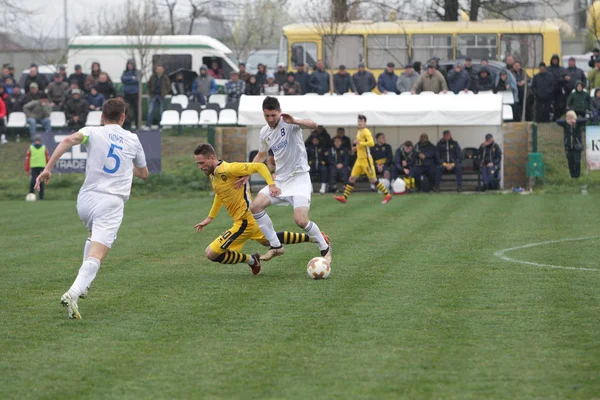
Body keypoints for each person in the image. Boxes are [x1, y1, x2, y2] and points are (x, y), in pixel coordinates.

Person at [35, 98, 149, 319]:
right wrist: (128, 167)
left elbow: (68, 140)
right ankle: (73, 292)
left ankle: (83, 286)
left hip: (85, 200)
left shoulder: (92, 131)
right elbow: (144, 174)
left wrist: (48, 169)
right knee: (98, 254)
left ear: (102, 117)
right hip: (111, 202)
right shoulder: (133, 139)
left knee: (92, 236)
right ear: (123, 117)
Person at [193, 143, 326, 274]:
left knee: (211, 253)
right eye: (198, 164)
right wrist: (210, 217)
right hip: (250, 219)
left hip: (245, 222)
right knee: (269, 240)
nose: (200, 167)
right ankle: (315, 237)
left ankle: (251, 260)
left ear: (211, 158)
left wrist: (272, 185)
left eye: (202, 162)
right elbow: (220, 193)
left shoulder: (230, 168)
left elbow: (260, 166)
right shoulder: (213, 174)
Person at [237, 97, 332, 264]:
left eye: (274, 115)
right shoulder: (264, 132)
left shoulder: (289, 123)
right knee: (255, 206)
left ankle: (325, 248)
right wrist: (247, 173)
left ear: (279, 112)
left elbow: (314, 125)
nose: (271, 119)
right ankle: (276, 246)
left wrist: (294, 120)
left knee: (301, 220)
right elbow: (261, 154)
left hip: (300, 178)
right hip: (281, 181)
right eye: (267, 116)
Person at [334, 115, 392, 204]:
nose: (360, 123)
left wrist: (359, 143)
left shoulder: (366, 131)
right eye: (359, 121)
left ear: (365, 122)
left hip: (366, 160)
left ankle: (387, 195)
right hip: (359, 159)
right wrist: (356, 148)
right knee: (352, 177)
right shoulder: (359, 131)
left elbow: (371, 143)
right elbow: (361, 145)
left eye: (361, 121)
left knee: (373, 179)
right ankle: (344, 197)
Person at [557, 111, 586, 179]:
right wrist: (567, 121)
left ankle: (577, 175)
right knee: (570, 162)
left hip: (577, 146)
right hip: (568, 146)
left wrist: (575, 121)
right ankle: (572, 175)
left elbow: (585, 120)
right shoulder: (565, 123)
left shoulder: (578, 123)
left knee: (577, 161)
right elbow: (557, 121)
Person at [25, 135, 49, 200]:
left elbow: (47, 158)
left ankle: (41, 197)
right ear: (34, 141)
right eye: (36, 141)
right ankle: (31, 195)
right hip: (34, 167)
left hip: (42, 167)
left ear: (40, 141)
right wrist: (27, 169)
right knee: (33, 181)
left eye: (38, 141)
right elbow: (27, 158)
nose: (37, 142)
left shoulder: (44, 147)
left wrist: (48, 167)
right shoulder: (31, 148)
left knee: (41, 182)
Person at [121, 60, 140, 125]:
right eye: (129, 64)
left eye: (131, 65)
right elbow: (123, 79)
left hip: (135, 93)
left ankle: (137, 123)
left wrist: (128, 80)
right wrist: (131, 78)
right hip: (127, 93)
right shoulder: (125, 72)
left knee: (136, 109)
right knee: (127, 109)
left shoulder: (137, 72)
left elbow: (137, 80)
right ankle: (127, 123)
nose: (130, 66)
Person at [548, 54, 567, 120]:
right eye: (554, 60)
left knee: (559, 106)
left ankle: (557, 118)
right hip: (550, 90)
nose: (555, 61)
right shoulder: (548, 69)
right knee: (549, 105)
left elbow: (565, 79)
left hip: (559, 90)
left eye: (556, 60)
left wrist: (561, 79)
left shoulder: (562, 69)